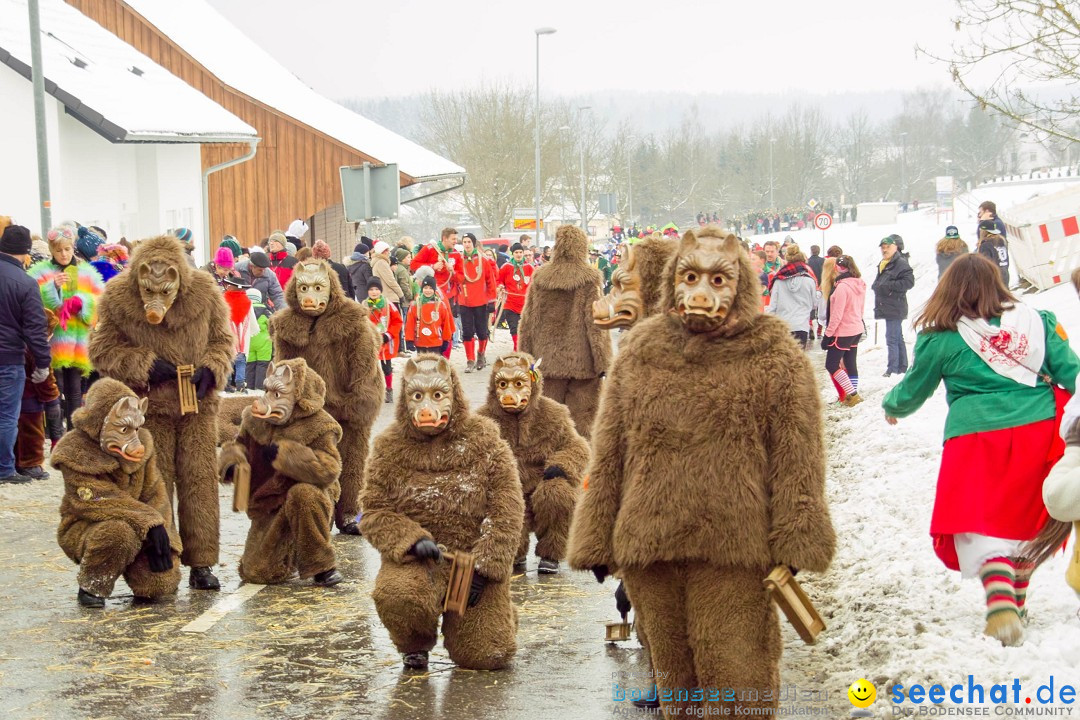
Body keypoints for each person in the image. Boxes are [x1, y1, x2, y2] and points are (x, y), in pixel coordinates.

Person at [568, 226, 834, 717]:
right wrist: (598, 538)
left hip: (734, 550)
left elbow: (798, 459)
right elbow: (610, 455)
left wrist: (798, 540)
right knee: (677, 686)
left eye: (718, 279)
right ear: (673, 280)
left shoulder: (774, 355)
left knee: (736, 679)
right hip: (651, 547)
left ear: (741, 285)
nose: (701, 291)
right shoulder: (643, 350)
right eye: (691, 276)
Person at [882, 254, 1080, 647]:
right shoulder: (1037, 323)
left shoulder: (940, 338)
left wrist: (892, 406)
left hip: (974, 438)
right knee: (1024, 520)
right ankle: (1016, 598)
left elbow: (913, 390)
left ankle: (1002, 600)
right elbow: (1072, 372)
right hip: (1038, 431)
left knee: (978, 520)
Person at [89, 234, 234, 591]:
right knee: (155, 485)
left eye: (163, 291)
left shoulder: (204, 291)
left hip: (197, 408)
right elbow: (101, 349)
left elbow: (223, 340)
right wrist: (143, 364)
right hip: (147, 409)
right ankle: (160, 562)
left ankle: (202, 561)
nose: (155, 300)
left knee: (200, 483)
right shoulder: (118, 297)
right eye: (148, 291)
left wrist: (213, 368)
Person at [360, 356, 523, 671]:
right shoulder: (388, 446)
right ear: (406, 399)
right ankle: (414, 643)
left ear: (454, 395)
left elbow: (507, 508)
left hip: (471, 563)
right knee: (398, 596)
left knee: (488, 656)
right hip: (422, 561)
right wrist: (409, 540)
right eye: (416, 396)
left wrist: (487, 566)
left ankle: (499, 612)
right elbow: (373, 509)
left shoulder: (486, 440)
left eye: (438, 395)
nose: (427, 406)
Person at [269, 260, 384, 537]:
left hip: (349, 398)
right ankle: (322, 512)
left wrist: (359, 400)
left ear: (331, 290)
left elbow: (364, 364)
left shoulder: (353, 320)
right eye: (304, 287)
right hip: (311, 408)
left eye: (318, 287)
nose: (310, 295)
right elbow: (284, 368)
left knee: (353, 457)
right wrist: (291, 403)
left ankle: (348, 512)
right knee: (315, 462)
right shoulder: (285, 326)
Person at [54, 379, 181, 607]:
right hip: (87, 525)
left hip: (139, 524)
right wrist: (149, 521)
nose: (135, 438)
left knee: (159, 586)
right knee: (118, 533)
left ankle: (137, 564)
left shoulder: (143, 444)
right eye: (124, 429)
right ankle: (92, 585)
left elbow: (155, 493)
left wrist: (164, 534)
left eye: (136, 429)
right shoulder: (74, 451)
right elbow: (96, 500)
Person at [218, 359, 344, 587]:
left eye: (277, 393)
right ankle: (291, 552)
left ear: (298, 397)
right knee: (256, 574)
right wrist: (232, 464)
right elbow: (237, 446)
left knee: (304, 495)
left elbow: (329, 468)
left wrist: (287, 456)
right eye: (267, 390)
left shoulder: (320, 425)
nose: (266, 397)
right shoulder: (254, 420)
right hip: (268, 503)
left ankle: (321, 565)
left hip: (309, 500)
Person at [478, 352, 588, 575]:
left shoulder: (553, 414)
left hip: (541, 485)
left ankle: (551, 553)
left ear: (533, 384)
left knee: (558, 493)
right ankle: (513, 551)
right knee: (500, 503)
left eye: (519, 384)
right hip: (508, 489)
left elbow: (578, 447)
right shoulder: (483, 420)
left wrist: (560, 465)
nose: (510, 392)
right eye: (503, 384)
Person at [519, 226, 612, 439]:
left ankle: (548, 462)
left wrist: (525, 358)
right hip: (582, 362)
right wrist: (603, 362)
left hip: (547, 361)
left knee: (547, 420)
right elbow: (596, 324)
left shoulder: (541, 277)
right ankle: (580, 464)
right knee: (583, 422)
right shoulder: (590, 278)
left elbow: (527, 322)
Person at [27, 225, 104, 431]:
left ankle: (73, 433)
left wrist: (82, 303)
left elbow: (99, 301)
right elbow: (34, 305)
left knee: (75, 391)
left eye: (67, 249)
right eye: (59, 250)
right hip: (53, 342)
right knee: (54, 390)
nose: (64, 254)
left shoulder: (87, 272)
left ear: (73, 249)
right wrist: (53, 289)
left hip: (79, 341)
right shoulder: (40, 272)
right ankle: (56, 435)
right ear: (52, 250)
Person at [0, 224, 53, 484]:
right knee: (7, 416)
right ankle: (5, 469)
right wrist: (43, 364)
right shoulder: (25, 283)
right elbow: (35, 329)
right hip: (8, 359)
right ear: (26, 253)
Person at [822, 255, 866, 406]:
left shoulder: (842, 287)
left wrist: (828, 335)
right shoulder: (859, 283)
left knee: (831, 364)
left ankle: (852, 394)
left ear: (839, 268)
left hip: (843, 331)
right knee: (850, 362)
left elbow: (837, 314)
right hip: (856, 328)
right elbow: (861, 308)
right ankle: (853, 395)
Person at [873, 235, 915, 377]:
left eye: (888, 247)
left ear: (895, 247)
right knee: (897, 337)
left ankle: (893, 368)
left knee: (891, 337)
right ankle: (902, 366)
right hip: (889, 305)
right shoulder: (885, 262)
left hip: (895, 306)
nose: (885, 250)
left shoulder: (900, 263)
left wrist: (888, 286)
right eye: (883, 247)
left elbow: (909, 282)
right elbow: (881, 281)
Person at [455, 233, 498, 372]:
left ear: (474, 243)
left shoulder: (483, 260)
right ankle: (470, 360)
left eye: (469, 242)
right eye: (464, 242)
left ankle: (481, 354)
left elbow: (490, 280)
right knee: (467, 332)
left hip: (480, 301)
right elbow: (456, 281)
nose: (466, 244)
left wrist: (492, 300)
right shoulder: (459, 260)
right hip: (464, 301)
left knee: (482, 331)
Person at [767, 245, 817, 348]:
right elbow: (814, 305)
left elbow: (772, 306)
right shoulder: (809, 281)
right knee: (797, 360)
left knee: (784, 360)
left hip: (783, 325)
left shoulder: (778, 281)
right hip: (801, 325)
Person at [365, 278, 402, 404]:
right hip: (371, 342)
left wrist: (389, 335)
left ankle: (389, 389)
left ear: (380, 290)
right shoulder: (364, 305)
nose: (374, 292)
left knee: (386, 368)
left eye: (376, 289)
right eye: (371, 289)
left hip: (385, 341)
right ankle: (374, 392)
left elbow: (397, 322)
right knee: (372, 368)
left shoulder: (388, 304)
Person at [221, 277, 258, 393]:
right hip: (242, 336)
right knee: (241, 360)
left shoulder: (223, 300)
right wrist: (253, 330)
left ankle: (227, 383)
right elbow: (251, 319)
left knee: (228, 360)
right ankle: (240, 383)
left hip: (228, 335)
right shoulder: (247, 301)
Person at [405, 275, 455, 357]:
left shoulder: (440, 305)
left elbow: (446, 324)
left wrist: (446, 340)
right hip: (420, 341)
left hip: (436, 342)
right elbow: (410, 323)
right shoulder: (415, 305)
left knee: (434, 366)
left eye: (431, 288)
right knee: (422, 366)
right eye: (425, 288)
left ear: (434, 289)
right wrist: (409, 340)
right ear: (422, 289)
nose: (428, 291)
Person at [496, 243, 533, 351]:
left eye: (520, 252)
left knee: (525, 329)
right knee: (514, 328)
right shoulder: (506, 267)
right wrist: (501, 286)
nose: (519, 254)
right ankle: (517, 348)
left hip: (525, 304)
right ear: (512, 254)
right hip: (510, 304)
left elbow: (535, 283)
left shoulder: (529, 267)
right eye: (516, 252)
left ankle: (521, 348)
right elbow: (499, 280)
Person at [244, 287, 272, 391]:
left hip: (249, 342)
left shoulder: (245, 310)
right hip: (264, 343)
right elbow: (271, 324)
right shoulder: (266, 311)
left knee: (249, 366)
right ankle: (259, 387)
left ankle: (249, 386)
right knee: (262, 365)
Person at [370, 241, 403, 310]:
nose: (389, 252)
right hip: (389, 297)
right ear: (383, 251)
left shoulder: (377, 262)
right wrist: (401, 294)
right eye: (387, 250)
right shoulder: (382, 263)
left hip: (384, 297)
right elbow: (391, 281)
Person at [977, 220, 1011, 286]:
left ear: (983, 231)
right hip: (1005, 273)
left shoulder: (986, 245)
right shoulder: (1002, 241)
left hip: (994, 277)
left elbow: (985, 265)